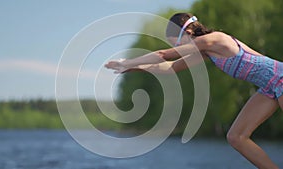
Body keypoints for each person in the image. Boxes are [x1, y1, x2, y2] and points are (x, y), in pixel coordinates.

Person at [105, 13, 282, 169]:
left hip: (280, 78)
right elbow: (171, 68)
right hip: (269, 87)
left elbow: (163, 54)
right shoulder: (207, 51)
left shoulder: (213, 39)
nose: (179, 48)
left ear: (188, 33)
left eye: (178, 44)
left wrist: (127, 62)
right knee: (236, 137)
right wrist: (131, 69)